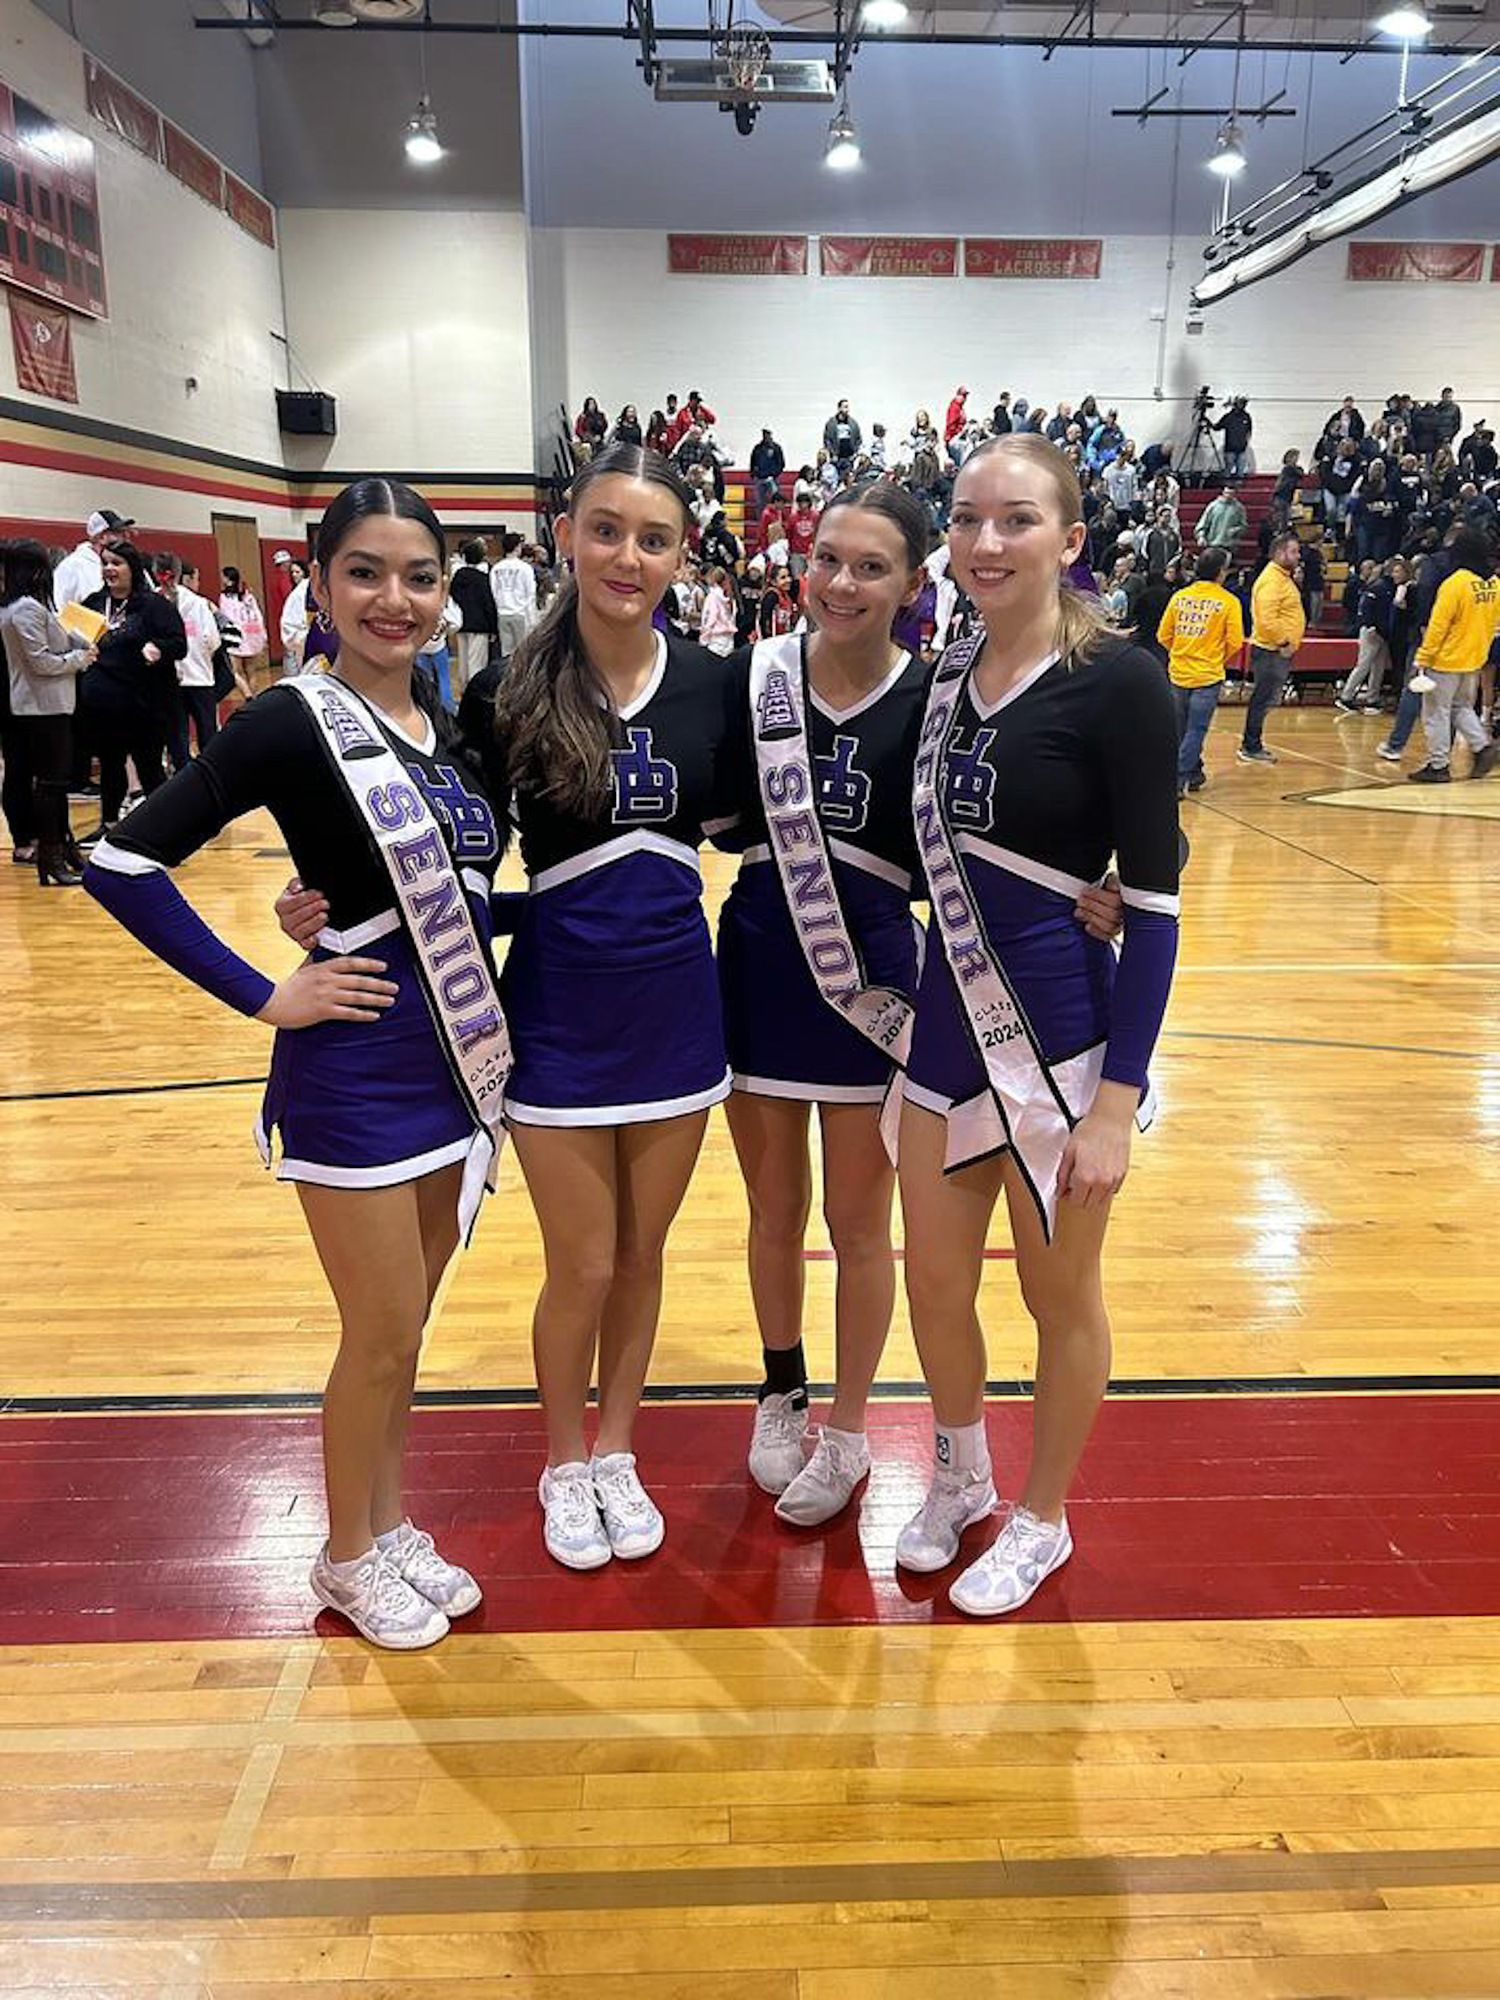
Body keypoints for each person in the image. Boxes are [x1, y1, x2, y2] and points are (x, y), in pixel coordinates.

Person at [85, 478, 506, 1650]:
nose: (394, 597)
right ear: (317, 583)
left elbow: (457, 901)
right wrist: (270, 992)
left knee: (408, 1326)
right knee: (374, 1332)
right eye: (364, 571)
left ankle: (388, 1519)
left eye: (418, 575)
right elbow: (123, 864)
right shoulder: (285, 717)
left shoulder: (448, 721)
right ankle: (341, 1553)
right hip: (353, 1071)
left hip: (454, 1062)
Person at [893, 432, 1179, 1616]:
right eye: (966, 520)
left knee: (1059, 1301)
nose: (985, 541)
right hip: (940, 1032)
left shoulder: (1121, 677)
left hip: (1061, 1044)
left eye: (1015, 520)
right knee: (935, 1285)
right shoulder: (945, 674)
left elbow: (1156, 904)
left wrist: (1118, 1098)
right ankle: (960, 1473)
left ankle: (1044, 1514)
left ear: (1070, 539)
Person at [486, 443, 738, 1572]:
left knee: (643, 1253)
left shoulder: (716, 684)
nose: (626, 556)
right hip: (557, 1010)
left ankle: (619, 1449)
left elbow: (768, 825)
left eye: (653, 538)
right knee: (579, 1262)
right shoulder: (509, 688)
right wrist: (322, 906)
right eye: (606, 530)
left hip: (678, 1006)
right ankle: (560, 1458)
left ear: (685, 555)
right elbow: (443, 849)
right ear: (566, 536)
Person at [0, 537, 96, 885]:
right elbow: (40, 662)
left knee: (54, 784)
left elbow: (51, 641)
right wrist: (80, 660)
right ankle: (50, 858)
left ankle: (64, 848)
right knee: (51, 785)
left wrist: (79, 641)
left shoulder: (26, 606)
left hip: (44, 705)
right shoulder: (25, 608)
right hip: (43, 707)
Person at [80, 542, 186, 836]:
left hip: (145, 703)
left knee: (149, 766)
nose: (109, 569)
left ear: (132, 567)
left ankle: (163, 827)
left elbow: (179, 644)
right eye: (105, 563)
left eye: (116, 563)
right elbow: (76, 638)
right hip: (104, 704)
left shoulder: (153, 605)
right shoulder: (93, 603)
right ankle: (110, 823)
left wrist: (159, 648)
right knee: (111, 765)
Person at [1406, 528, 1500, 784]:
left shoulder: (1455, 584)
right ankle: (1482, 746)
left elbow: (1438, 626)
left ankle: (1438, 765)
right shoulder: (1494, 584)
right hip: (1474, 660)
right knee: (1461, 707)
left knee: (1436, 713)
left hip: (1445, 660)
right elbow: (1494, 623)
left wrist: (1423, 658)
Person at [1158, 546, 1245, 797]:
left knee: (1180, 729)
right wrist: (1216, 657)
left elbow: (1164, 635)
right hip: (1207, 675)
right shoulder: (1229, 602)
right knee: (1196, 730)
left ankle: (1194, 772)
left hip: (1178, 673)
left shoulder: (1179, 597)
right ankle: (1178, 778)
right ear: (1221, 572)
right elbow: (1235, 642)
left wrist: (1181, 651)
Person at [1237, 532, 1306, 767]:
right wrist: (1284, 641)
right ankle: (1251, 745)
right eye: (1294, 551)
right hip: (1271, 650)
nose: (1298, 556)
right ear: (1279, 553)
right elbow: (1266, 619)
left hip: (1275, 649)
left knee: (1268, 698)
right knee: (1263, 699)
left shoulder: (1282, 578)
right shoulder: (1272, 580)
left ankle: (1252, 743)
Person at [154, 551, 223, 769]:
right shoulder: (198, 603)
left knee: (177, 738)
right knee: (207, 735)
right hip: (199, 677)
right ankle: (211, 776)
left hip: (167, 682)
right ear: (179, 573)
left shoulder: (151, 602)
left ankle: (181, 782)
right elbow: (213, 640)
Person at [52, 507, 134, 611]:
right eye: (118, 532)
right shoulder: (74, 565)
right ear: (101, 537)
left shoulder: (121, 563)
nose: (125, 537)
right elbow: (61, 608)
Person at [449, 539, 498, 693]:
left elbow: (453, 597)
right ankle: (475, 694)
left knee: (462, 661)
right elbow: (488, 604)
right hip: (479, 625)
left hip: (462, 624)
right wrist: (493, 628)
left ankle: (463, 690)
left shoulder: (458, 576)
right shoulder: (482, 578)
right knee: (476, 663)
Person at [490, 531, 538, 658]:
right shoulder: (525, 568)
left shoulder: (496, 568)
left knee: (506, 652)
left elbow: (494, 592)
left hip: (503, 613)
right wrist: (532, 619)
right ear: (517, 547)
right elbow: (530, 594)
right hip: (521, 614)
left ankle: (507, 677)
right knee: (523, 652)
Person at [218, 566, 267, 678]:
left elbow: (226, 617)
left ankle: (248, 695)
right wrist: (263, 635)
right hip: (252, 635)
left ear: (227, 578)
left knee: (235, 672)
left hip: (236, 636)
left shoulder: (225, 597)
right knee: (251, 671)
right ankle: (254, 695)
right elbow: (258, 615)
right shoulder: (248, 595)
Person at [279, 559, 311, 678]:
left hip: (302, 636)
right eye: (292, 572)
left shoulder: (304, 590)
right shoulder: (297, 591)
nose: (294, 575)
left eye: (297, 572)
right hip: (298, 637)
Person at [699, 565, 737, 657]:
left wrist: (703, 639)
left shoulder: (712, 597)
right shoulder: (731, 598)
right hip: (729, 639)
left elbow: (710, 619)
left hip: (714, 640)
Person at [1196, 484, 1247, 553]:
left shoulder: (1239, 508)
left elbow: (1243, 526)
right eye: (1227, 493)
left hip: (1229, 544)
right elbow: (1203, 523)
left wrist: (1236, 530)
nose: (1228, 496)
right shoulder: (1213, 506)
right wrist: (1201, 536)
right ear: (1223, 493)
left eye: (1231, 494)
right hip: (1212, 543)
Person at [1212, 395, 1253, 477]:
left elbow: (1249, 431)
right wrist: (1209, 423)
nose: (1243, 405)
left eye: (1244, 404)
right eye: (1241, 403)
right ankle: (1226, 484)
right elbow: (1217, 427)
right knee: (1228, 469)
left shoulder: (1246, 417)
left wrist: (1246, 442)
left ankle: (1238, 486)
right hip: (1230, 448)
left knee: (1240, 471)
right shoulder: (1229, 417)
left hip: (1242, 449)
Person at [750, 428, 786, 514]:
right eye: (764, 434)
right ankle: (761, 521)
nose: (765, 436)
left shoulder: (776, 448)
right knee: (760, 502)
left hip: (772, 479)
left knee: (776, 501)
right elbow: (753, 462)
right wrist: (753, 473)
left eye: (767, 434)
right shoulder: (757, 448)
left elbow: (781, 463)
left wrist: (774, 474)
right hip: (759, 478)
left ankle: (777, 518)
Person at [823, 398, 862, 470]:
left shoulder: (853, 423)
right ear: (839, 408)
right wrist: (832, 453)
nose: (847, 409)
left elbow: (858, 439)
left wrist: (855, 453)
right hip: (836, 457)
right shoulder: (831, 423)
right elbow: (827, 440)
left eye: (848, 407)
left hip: (849, 457)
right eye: (845, 407)